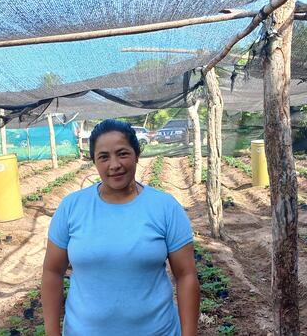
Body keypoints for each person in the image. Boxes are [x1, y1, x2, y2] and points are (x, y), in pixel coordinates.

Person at [42, 119, 200, 336]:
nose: (114, 164)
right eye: (104, 157)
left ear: (137, 154)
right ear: (94, 162)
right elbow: (52, 271)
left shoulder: (165, 207)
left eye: (122, 153)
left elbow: (186, 275)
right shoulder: (72, 207)